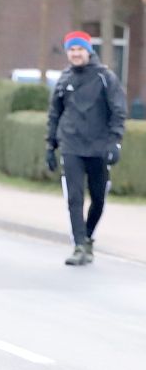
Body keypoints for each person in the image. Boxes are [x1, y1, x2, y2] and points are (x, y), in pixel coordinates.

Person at [46, 30, 127, 266]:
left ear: (88, 51)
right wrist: (50, 146)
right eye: (71, 50)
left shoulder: (105, 78)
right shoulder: (64, 80)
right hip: (71, 145)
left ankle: (88, 237)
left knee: (99, 198)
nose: (76, 53)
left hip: (99, 146)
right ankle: (79, 245)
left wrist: (115, 142)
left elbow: (118, 111)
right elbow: (54, 114)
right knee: (74, 198)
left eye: (80, 49)